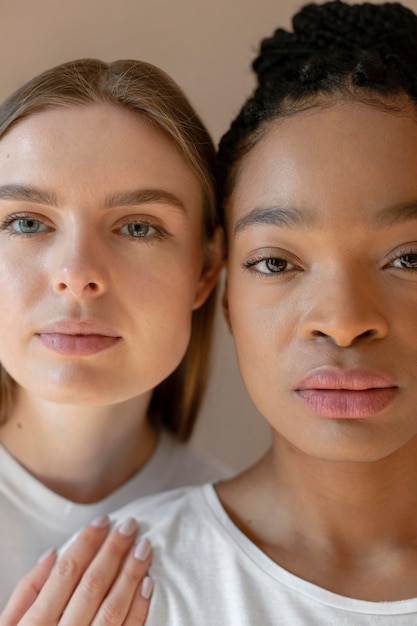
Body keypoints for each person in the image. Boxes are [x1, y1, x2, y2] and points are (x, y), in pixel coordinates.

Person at [78, 1, 417, 623]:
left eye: (409, 259)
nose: (342, 321)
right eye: (277, 263)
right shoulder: (125, 588)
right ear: (222, 285)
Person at [0, 57, 227, 620]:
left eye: (138, 226)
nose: (76, 273)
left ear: (205, 269)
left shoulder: (258, 547)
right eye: (27, 222)